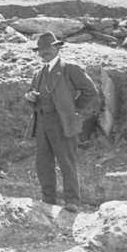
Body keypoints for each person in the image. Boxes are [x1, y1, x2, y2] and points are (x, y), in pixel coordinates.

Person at [25, 32, 102, 209]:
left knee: (66, 161)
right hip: (42, 123)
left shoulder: (70, 68)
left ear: (57, 48)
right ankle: (48, 200)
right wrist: (28, 97)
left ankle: (72, 201)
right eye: (41, 49)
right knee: (43, 164)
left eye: (48, 47)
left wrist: (72, 109)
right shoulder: (38, 74)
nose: (44, 52)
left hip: (63, 122)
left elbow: (91, 92)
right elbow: (30, 95)